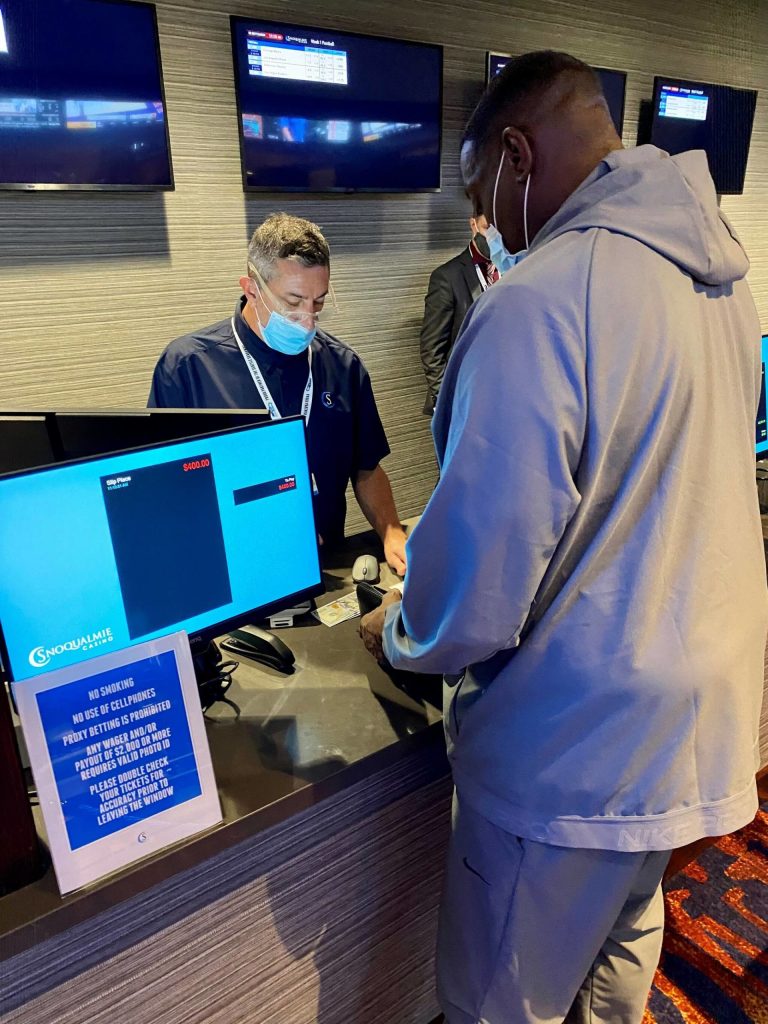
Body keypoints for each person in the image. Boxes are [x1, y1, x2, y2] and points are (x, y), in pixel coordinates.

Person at [360, 50, 766, 1024]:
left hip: (573, 750)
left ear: (515, 154)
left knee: (504, 997)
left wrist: (399, 632)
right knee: (624, 949)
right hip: (697, 719)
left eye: (483, 199)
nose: (489, 228)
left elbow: (477, 585)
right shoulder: (719, 281)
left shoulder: (538, 301)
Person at [149, 213, 408, 574]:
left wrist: (391, 529)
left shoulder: (342, 366)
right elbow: (166, 493)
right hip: (231, 569)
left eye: (318, 303)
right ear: (252, 288)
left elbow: (367, 468)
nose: (307, 320)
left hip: (323, 563)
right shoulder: (188, 367)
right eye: (293, 301)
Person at [419, 216, 498, 413]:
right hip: (464, 398)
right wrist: (447, 403)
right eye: (487, 228)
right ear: (473, 224)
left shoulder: (513, 268)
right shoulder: (446, 277)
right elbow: (432, 349)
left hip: (502, 393)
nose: (494, 236)